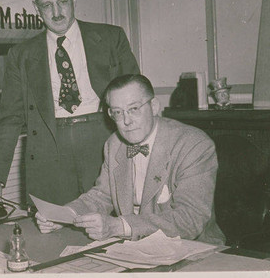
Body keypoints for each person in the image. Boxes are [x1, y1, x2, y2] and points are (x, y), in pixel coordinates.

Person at [0, 0, 140, 205]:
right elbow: (10, 118)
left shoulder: (111, 37)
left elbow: (135, 97)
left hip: (103, 143)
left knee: (110, 225)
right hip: (49, 151)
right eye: (47, 5)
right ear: (36, 8)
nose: (56, 13)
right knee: (51, 230)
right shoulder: (21, 55)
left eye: (63, 2)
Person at [36, 74, 225, 244]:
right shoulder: (114, 144)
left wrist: (119, 226)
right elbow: (102, 195)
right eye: (118, 112)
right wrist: (64, 216)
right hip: (134, 249)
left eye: (133, 109)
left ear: (153, 106)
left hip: (193, 249)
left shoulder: (193, 144)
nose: (126, 121)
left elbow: (190, 218)